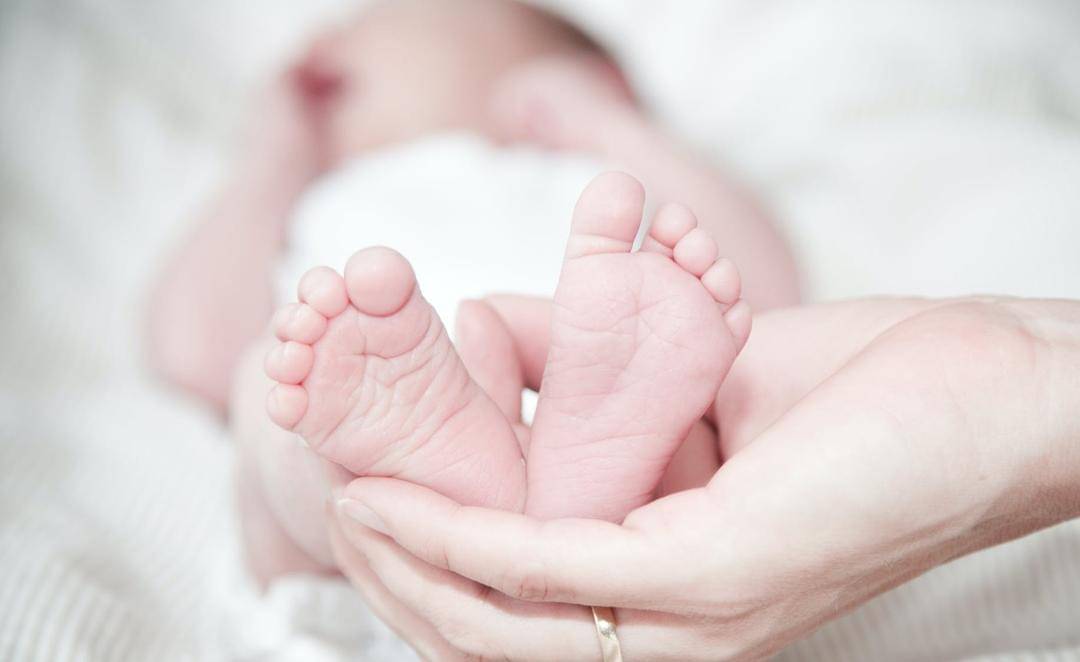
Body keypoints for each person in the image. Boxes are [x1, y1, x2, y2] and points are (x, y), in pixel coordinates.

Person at [146, 0, 798, 582]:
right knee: (275, 393)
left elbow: (764, 295)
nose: (327, 44)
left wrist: (611, 124)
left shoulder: (595, 172)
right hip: (362, 510)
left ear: (582, 76)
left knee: (700, 401)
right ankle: (472, 477)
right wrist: (273, 158)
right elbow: (195, 354)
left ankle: (553, 479)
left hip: (606, 449)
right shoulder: (315, 197)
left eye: (384, 19)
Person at [325, 293, 1080, 660]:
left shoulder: (611, 138)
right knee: (321, 452)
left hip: (533, 343)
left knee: (321, 468)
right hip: (440, 352)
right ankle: (534, 485)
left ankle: (500, 491)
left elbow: (750, 288)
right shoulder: (333, 176)